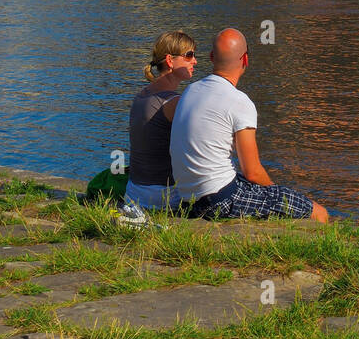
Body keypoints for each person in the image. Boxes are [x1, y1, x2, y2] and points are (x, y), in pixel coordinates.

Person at [170, 28, 329, 223]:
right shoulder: (239, 101)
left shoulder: (190, 90)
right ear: (245, 60)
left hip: (187, 201)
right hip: (218, 200)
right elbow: (252, 172)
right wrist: (275, 194)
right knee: (318, 212)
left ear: (212, 57)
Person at [124, 31, 198, 213]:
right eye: (189, 55)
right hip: (164, 197)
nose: (195, 61)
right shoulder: (174, 103)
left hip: (133, 192)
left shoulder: (141, 95)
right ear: (170, 61)